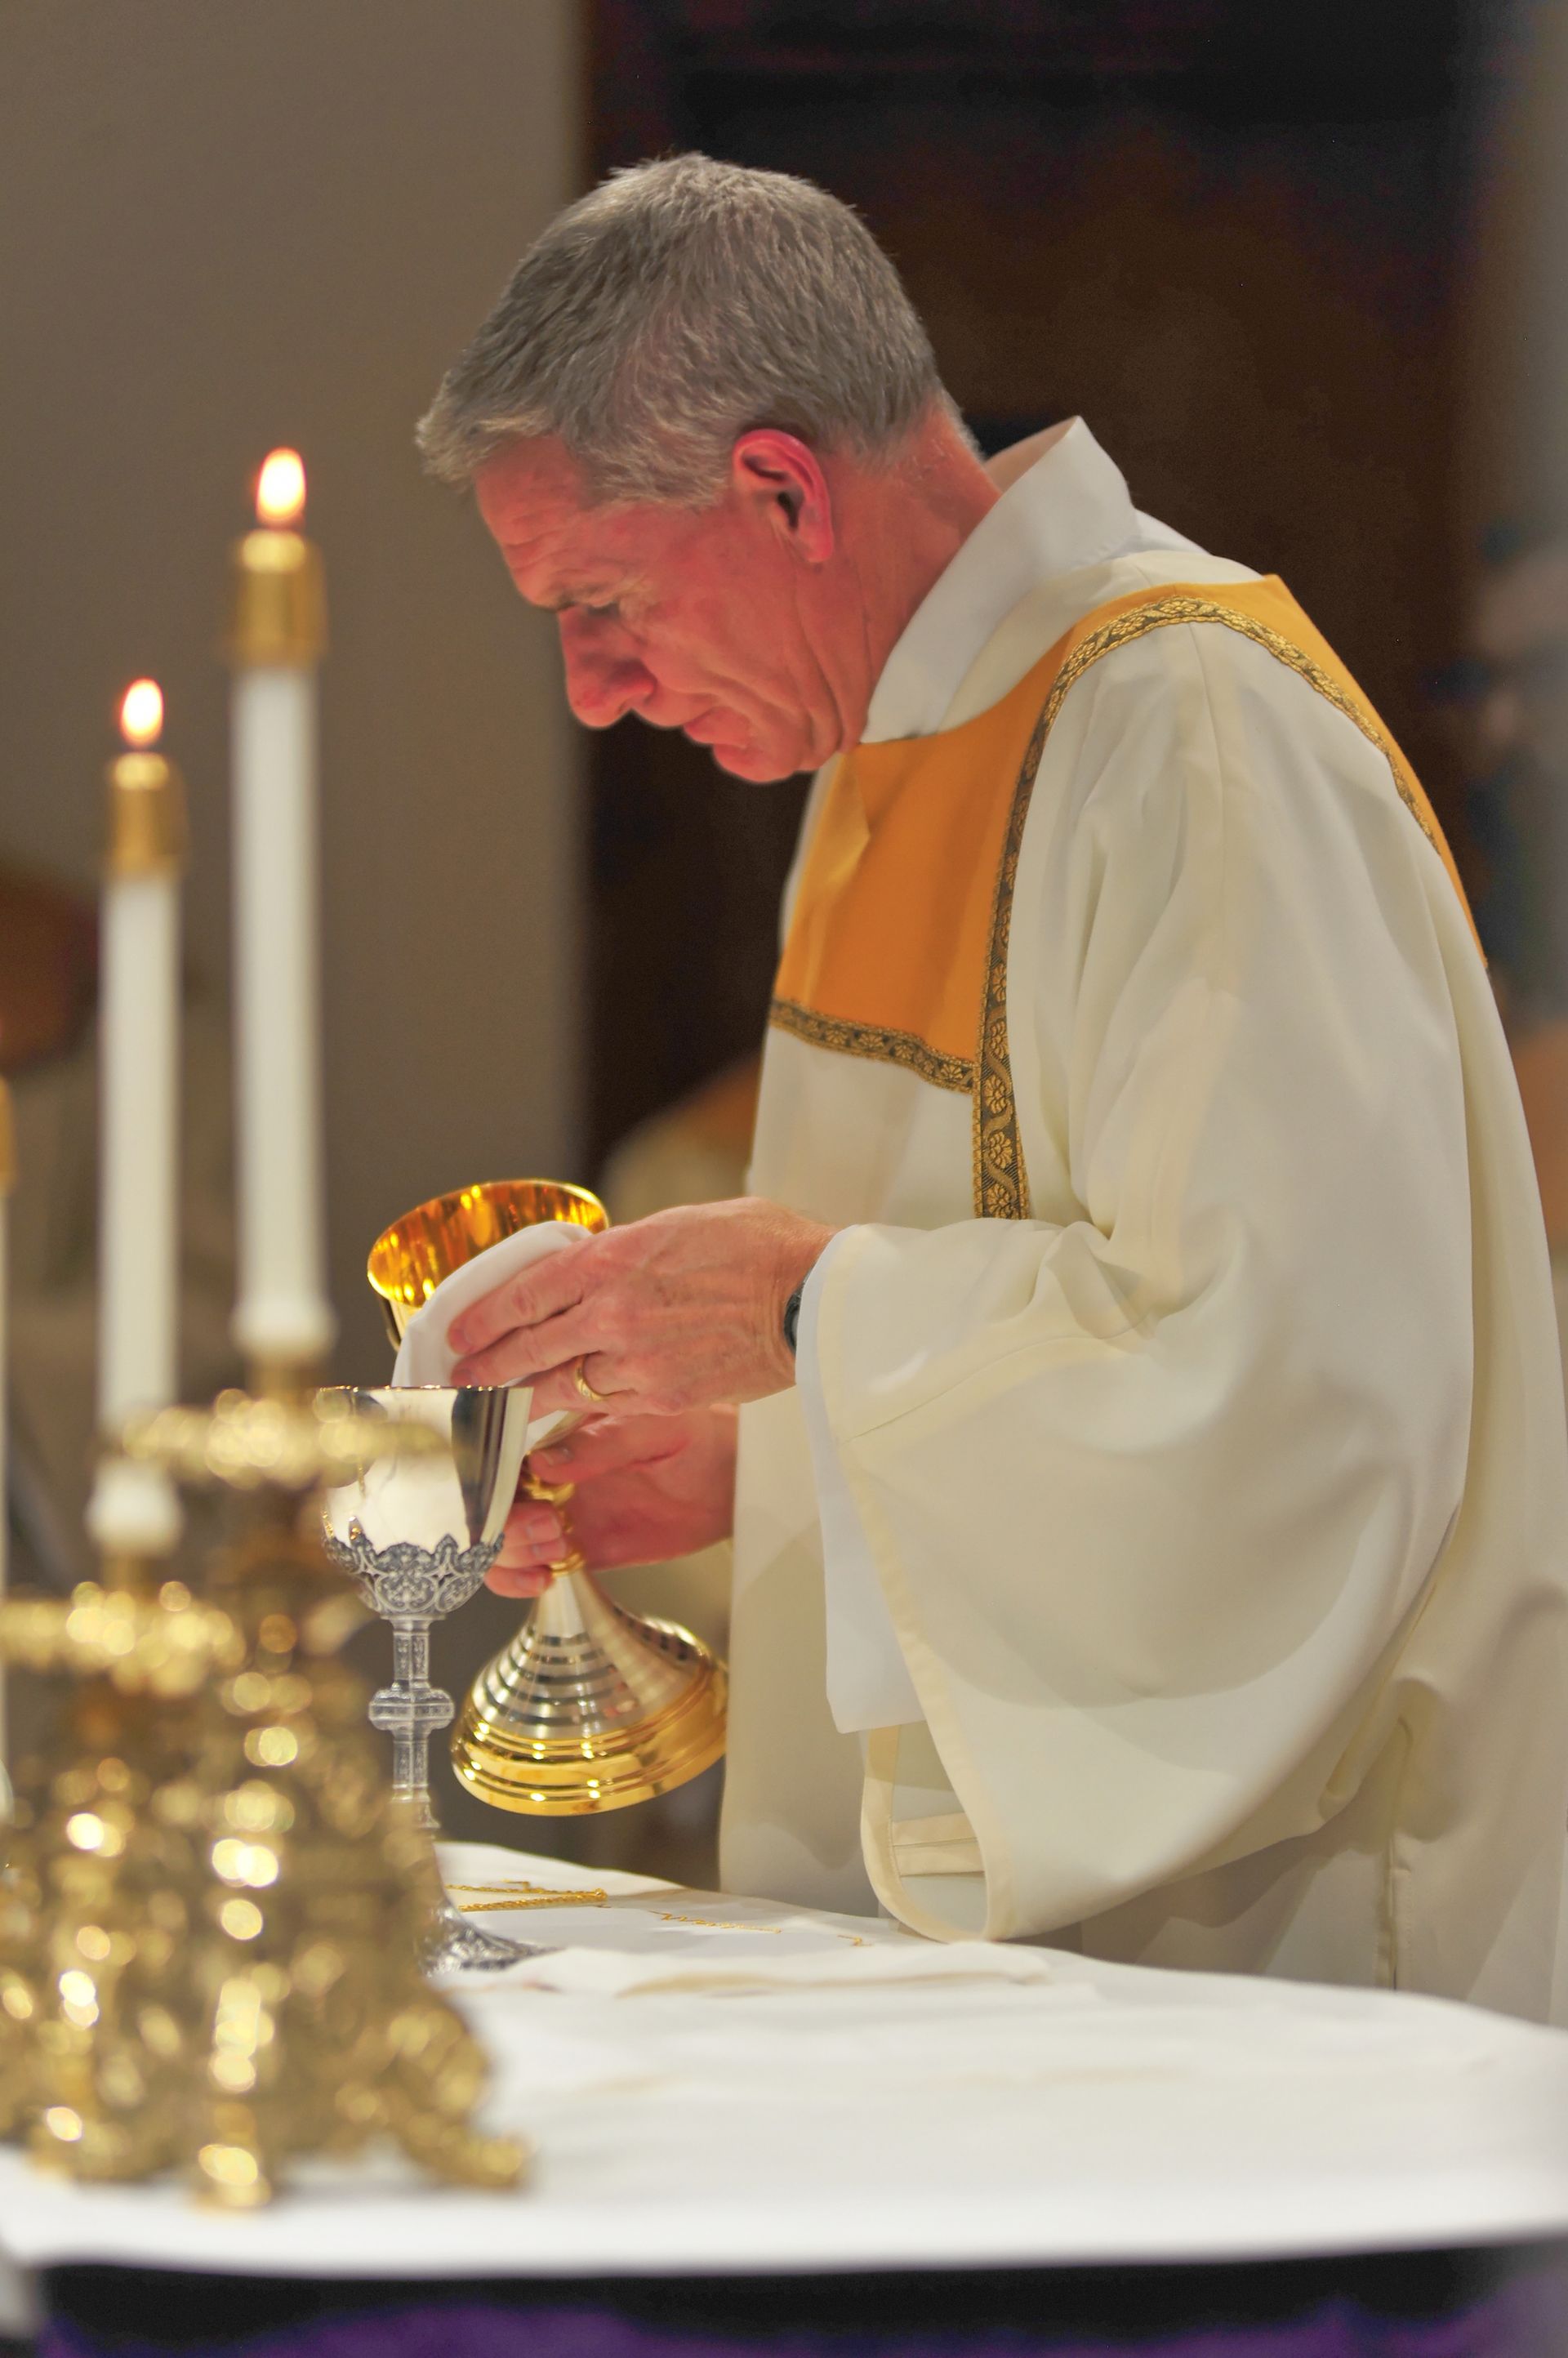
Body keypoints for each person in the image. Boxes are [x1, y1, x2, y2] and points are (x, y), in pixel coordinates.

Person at [416, 154, 1568, 2018]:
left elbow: (1300, 1409)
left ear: (782, 490)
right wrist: (762, 1469)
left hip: (1288, 1972)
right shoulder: (884, 749)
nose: (592, 690)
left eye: (604, 600)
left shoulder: (1194, 728)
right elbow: (1018, 1326)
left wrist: (804, 1312)